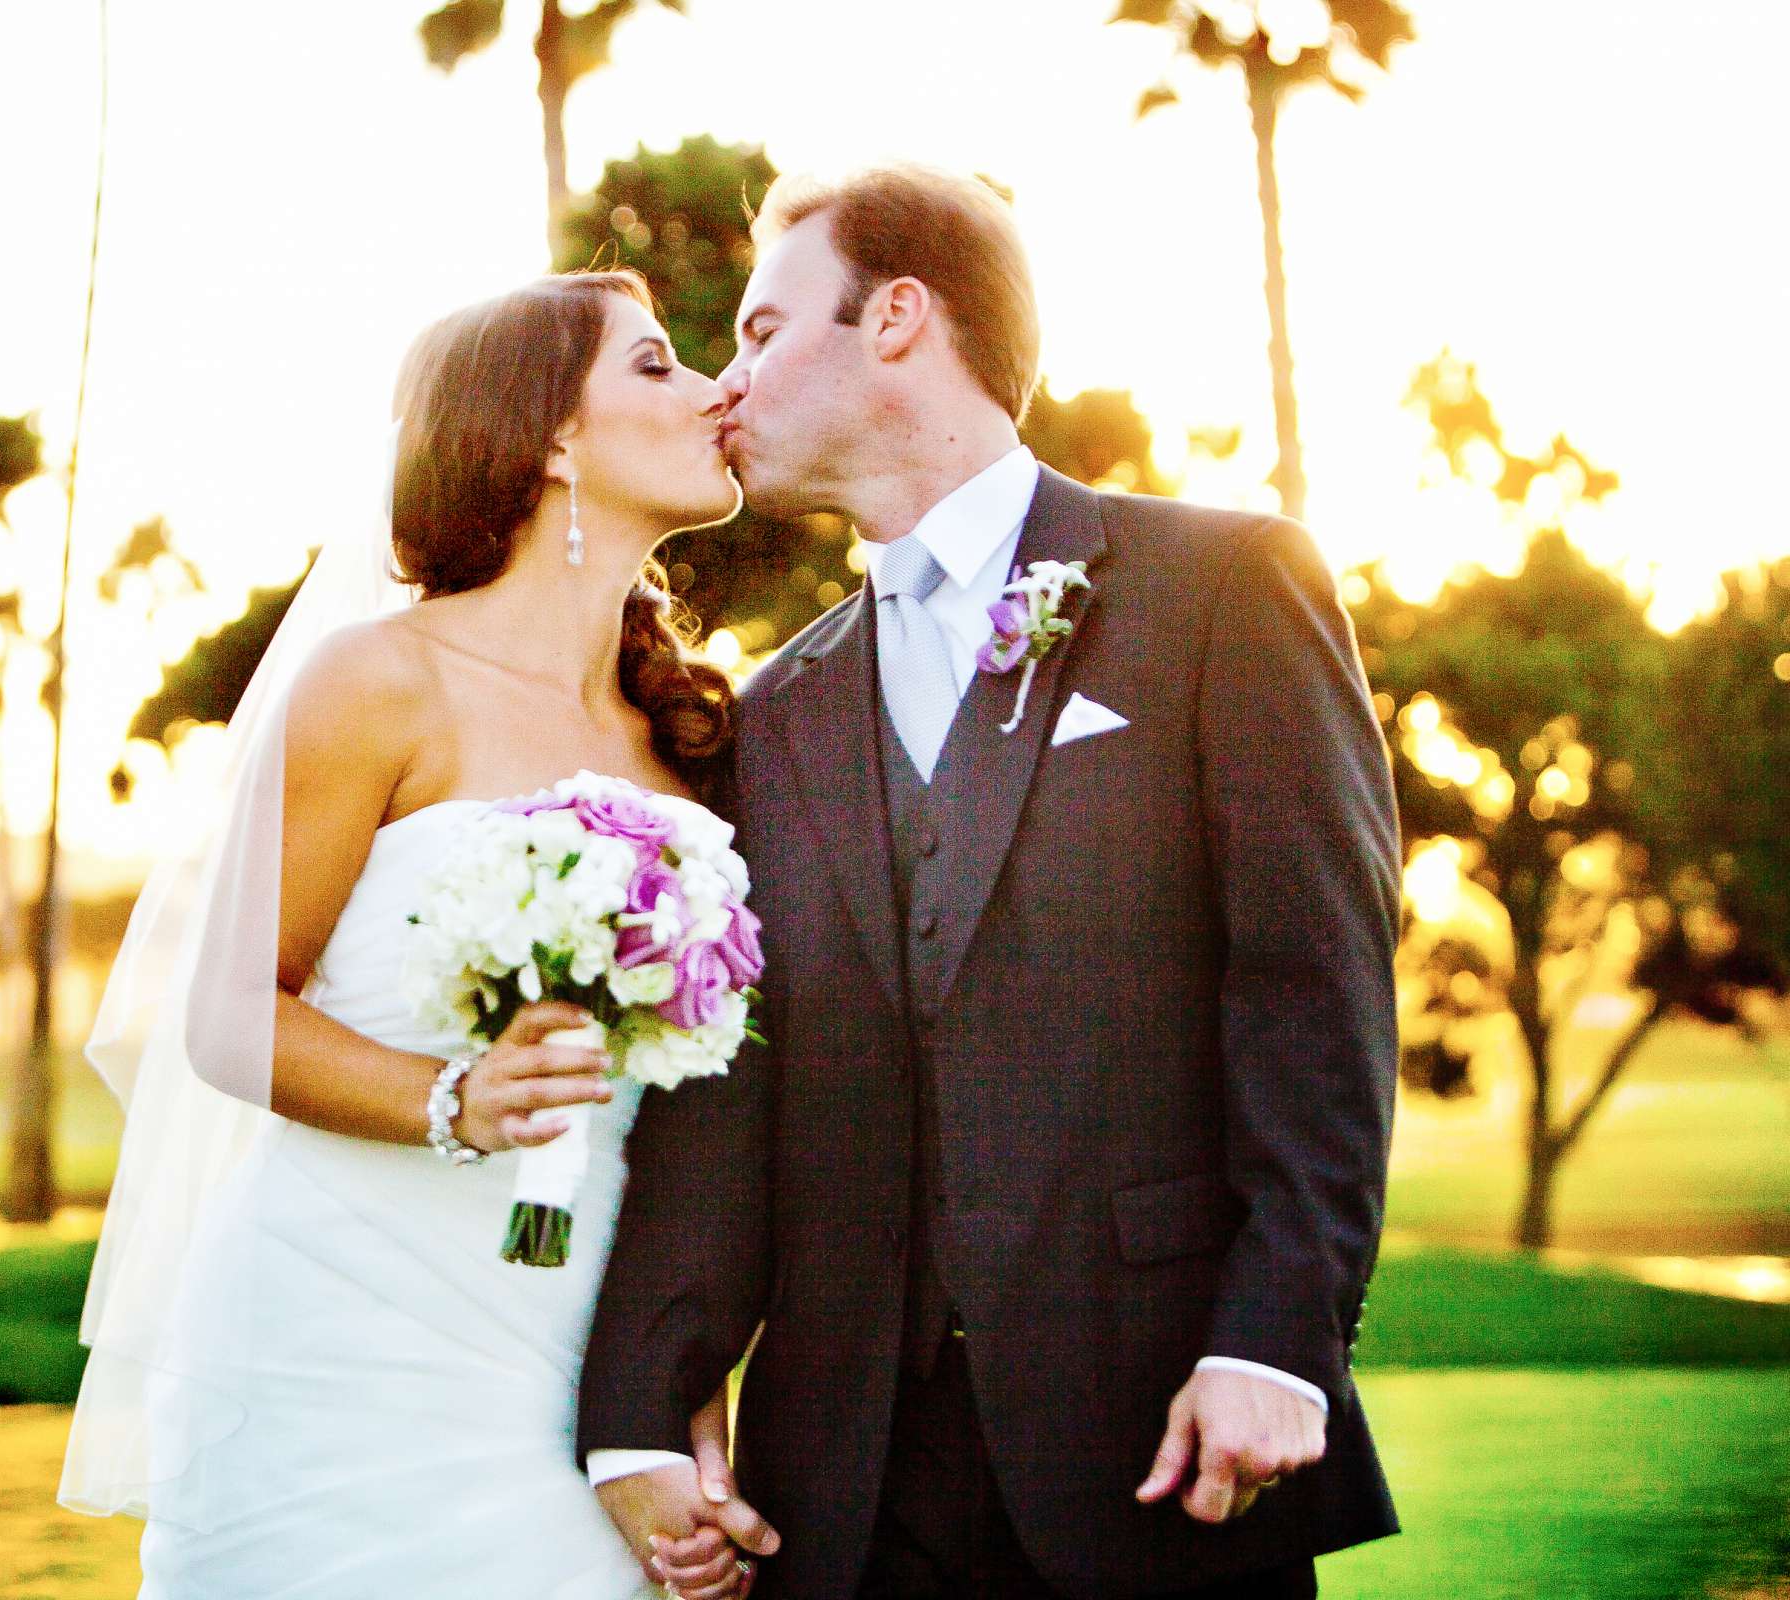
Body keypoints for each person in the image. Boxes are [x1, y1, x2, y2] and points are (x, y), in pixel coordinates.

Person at [580, 165, 1403, 1599]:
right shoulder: (772, 714)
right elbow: (731, 1091)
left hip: (1167, 1439)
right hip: (842, 1491)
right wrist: (637, 1417)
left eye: (765, 331)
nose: (728, 382)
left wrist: (1276, 1336)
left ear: (896, 318)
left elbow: (1314, 990)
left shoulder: (1224, 587)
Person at [58, 268, 759, 1599]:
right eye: (659, 364)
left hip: (571, 1344)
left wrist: (681, 1392)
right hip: (341, 1327)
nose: (716, 389)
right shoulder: (379, 681)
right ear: (553, 436)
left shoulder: (694, 740)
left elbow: (702, 1130)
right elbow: (224, 1012)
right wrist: (457, 1097)